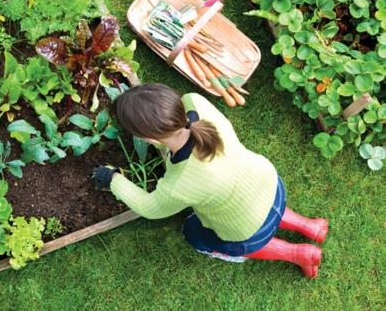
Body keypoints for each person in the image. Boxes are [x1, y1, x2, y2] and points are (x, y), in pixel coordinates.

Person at [93, 83, 328, 278]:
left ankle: (298, 254)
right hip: (269, 184)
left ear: (148, 139)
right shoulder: (196, 103)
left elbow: (149, 207)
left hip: (247, 229)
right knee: (260, 205)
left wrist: (112, 178)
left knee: (193, 233)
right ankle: (310, 226)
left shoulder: (180, 184)